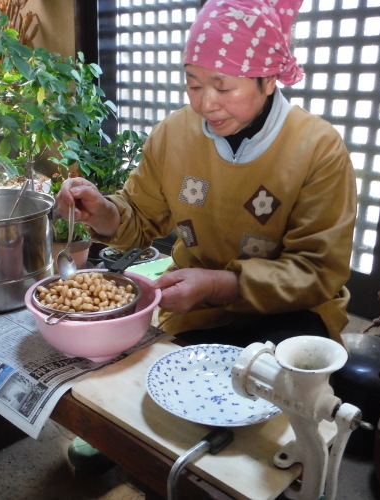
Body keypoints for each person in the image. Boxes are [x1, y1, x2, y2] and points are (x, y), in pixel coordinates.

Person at [57, 0, 357, 349]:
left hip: (295, 313)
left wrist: (219, 283)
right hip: (197, 309)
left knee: (272, 390)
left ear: (269, 80)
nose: (205, 104)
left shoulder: (318, 148)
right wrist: (102, 211)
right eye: (194, 85)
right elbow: (139, 216)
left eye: (223, 87)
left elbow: (317, 271)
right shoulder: (174, 133)